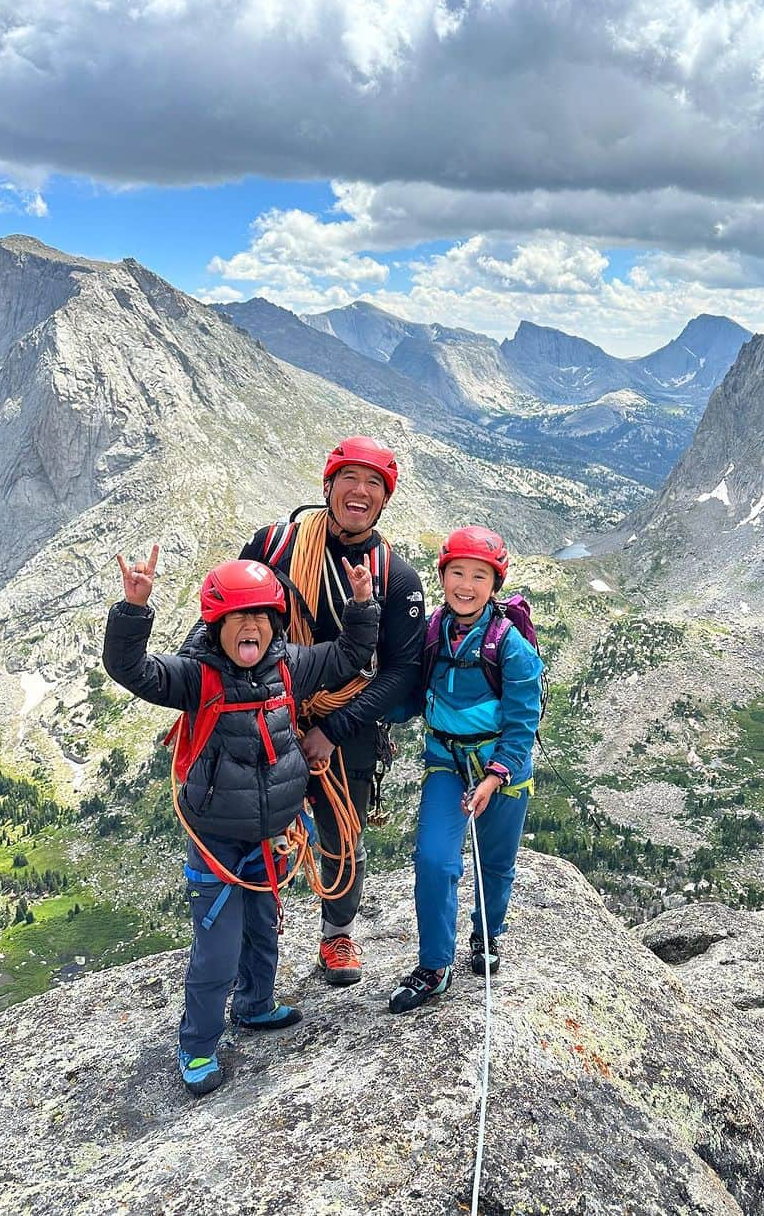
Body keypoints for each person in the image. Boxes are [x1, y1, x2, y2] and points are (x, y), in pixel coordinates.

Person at [103, 546, 379, 1096]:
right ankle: (198, 1045)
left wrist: (363, 603)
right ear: (217, 625)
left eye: (260, 616)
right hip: (218, 845)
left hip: (272, 835)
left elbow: (349, 656)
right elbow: (131, 669)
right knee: (217, 949)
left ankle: (255, 1005)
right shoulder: (195, 677)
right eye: (237, 618)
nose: (249, 626)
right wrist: (134, 608)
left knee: (263, 933)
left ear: (274, 624)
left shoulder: (288, 666)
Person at [239, 436, 425, 987]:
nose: (360, 491)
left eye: (374, 483)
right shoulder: (275, 547)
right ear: (328, 485)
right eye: (351, 478)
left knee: (341, 834)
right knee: (257, 829)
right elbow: (232, 620)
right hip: (271, 713)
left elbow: (400, 672)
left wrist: (333, 727)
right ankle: (253, 943)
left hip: (347, 723)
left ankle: (336, 935)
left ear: (384, 499)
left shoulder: (395, 576)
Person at [389, 526, 543, 1013]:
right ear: (443, 576)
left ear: (494, 585)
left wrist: (496, 776)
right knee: (435, 861)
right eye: (457, 572)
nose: (466, 584)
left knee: (494, 864)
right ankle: (435, 966)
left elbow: (523, 721)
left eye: (480, 575)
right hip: (448, 762)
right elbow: (412, 695)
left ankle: (486, 934)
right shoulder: (431, 632)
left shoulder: (510, 645)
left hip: (504, 769)